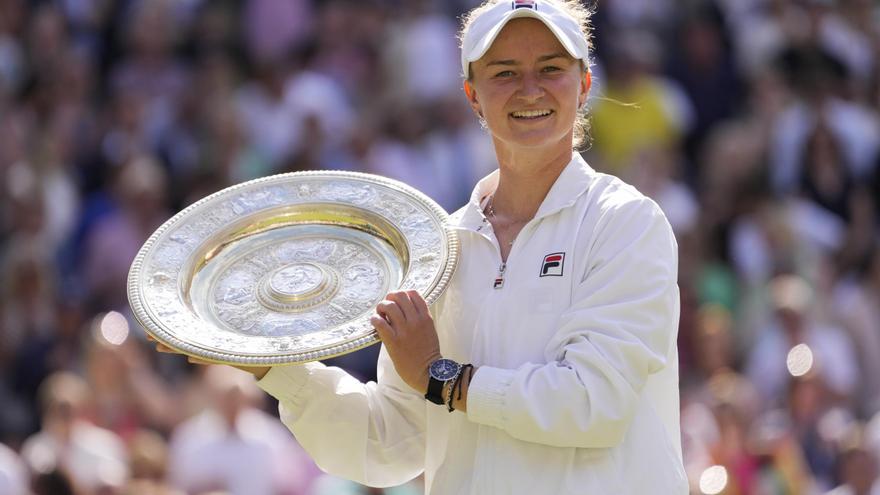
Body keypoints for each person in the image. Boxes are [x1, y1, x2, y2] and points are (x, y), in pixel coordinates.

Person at [156, 1, 686, 493]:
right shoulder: (440, 247)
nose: (530, 89)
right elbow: (388, 445)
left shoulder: (627, 223)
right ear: (472, 95)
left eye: (551, 68)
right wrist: (263, 358)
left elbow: (594, 404)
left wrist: (443, 378)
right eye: (504, 72)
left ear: (584, 83)